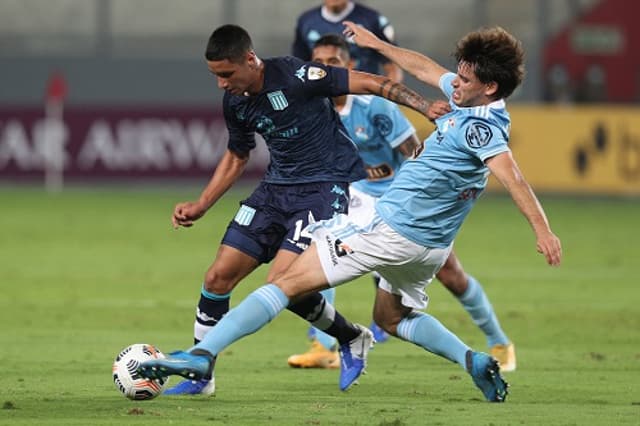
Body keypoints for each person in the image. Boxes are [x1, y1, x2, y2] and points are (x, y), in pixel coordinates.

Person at [139, 24, 563, 403]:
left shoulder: (481, 127)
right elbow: (425, 68)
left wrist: (542, 231)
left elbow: (513, 177)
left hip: (391, 231)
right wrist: (377, 43)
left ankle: (201, 355)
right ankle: (471, 359)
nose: (452, 83)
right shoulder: (471, 98)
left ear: (488, 87)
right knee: (392, 318)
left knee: (284, 283)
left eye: (464, 79)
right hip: (430, 247)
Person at [162, 24, 448, 396]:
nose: (221, 84)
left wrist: (425, 106)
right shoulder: (235, 100)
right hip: (273, 190)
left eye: (227, 74)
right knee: (217, 278)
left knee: (280, 285)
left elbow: (371, 82)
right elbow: (238, 153)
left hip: (323, 190)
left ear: (250, 59)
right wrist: (202, 204)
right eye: (215, 76)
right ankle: (203, 379)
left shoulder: (297, 75)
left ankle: (347, 338)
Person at [286, 34, 516, 373]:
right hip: (359, 197)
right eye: (317, 62)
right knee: (323, 243)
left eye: (332, 62)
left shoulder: (375, 106)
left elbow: (413, 151)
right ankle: (323, 345)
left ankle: (498, 340)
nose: (323, 68)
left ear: (348, 66)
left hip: (405, 200)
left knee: (452, 276)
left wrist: (415, 192)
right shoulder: (311, 108)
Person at [292, 0, 403, 82]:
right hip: (324, 97)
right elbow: (299, 68)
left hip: (365, 96)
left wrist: (386, 102)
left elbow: (392, 67)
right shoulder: (306, 21)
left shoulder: (372, 19)